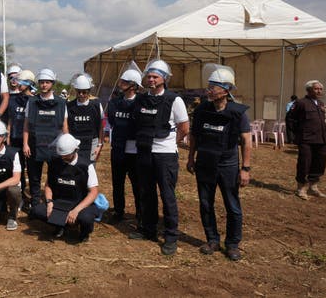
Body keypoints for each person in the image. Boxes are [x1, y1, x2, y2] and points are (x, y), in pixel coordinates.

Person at [186, 64, 252, 261]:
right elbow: (195, 136)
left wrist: (245, 168)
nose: (209, 90)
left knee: (232, 206)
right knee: (206, 204)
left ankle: (232, 244)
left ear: (226, 90)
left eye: (213, 86)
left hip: (228, 165)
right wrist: (191, 158)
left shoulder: (237, 113)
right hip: (205, 164)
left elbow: (247, 140)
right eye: (209, 86)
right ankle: (212, 240)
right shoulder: (201, 110)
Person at [130, 59, 189, 256]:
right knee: (147, 193)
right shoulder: (140, 99)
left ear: (164, 78)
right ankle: (149, 230)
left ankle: (171, 236)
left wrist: (172, 143)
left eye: (155, 76)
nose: (151, 79)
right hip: (144, 152)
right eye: (149, 76)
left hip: (165, 155)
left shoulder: (174, 100)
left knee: (167, 195)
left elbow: (184, 127)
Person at [31, 133, 99, 243]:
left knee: (86, 218)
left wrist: (76, 210)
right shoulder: (55, 163)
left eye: (66, 155)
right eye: (61, 155)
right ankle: (60, 226)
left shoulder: (86, 166)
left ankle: (84, 232)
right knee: (37, 211)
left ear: (75, 150)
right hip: (60, 203)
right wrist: (49, 202)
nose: (63, 158)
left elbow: (93, 192)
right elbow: (48, 185)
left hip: (79, 204)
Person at [23, 68, 69, 208]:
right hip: (35, 146)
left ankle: (54, 205)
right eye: (41, 82)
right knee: (34, 178)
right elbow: (26, 126)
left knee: (54, 176)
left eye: (47, 82)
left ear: (52, 84)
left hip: (54, 147)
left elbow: (65, 127)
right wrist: (25, 144)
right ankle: (35, 205)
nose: (44, 85)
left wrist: (66, 146)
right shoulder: (31, 101)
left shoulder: (61, 103)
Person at [106, 66, 143, 225]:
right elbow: (113, 121)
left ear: (133, 85)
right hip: (119, 147)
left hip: (135, 150)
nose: (121, 83)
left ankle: (140, 213)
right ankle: (118, 211)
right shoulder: (114, 102)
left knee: (137, 183)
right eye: (122, 81)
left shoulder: (141, 102)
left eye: (125, 81)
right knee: (118, 182)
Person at [289, 80, 326, 200]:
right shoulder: (301, 103)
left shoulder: (321, 104)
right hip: (306, 139)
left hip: (321, 139)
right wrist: (296, 136)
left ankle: (313, 187)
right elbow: (290, 119)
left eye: (321, 89)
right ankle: (301, 188)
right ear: (309, 90)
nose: (319, 91)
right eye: (316, 89)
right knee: (304, 163)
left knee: (320, 163)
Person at [7, 69, 35, 209]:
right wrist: (8, 137)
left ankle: (33, 200)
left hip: (29, 142)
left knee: (31, 170)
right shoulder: (13, 99)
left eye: (22, 82)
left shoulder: (34, 101)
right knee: (18, 169)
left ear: (29, 83)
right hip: (15, 140)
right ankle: (20, 196)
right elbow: (11, 120)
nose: (18, 84)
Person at [67, 74, 104, 165]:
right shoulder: (69, 106)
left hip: (92, 143)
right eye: (79, 92)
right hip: (75, 143)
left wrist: (99, 145)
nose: (81, 95)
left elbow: (101, 127)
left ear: (89, 91)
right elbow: (66, 126)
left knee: (90, 169)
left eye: (84, 92)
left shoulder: (96, 105)